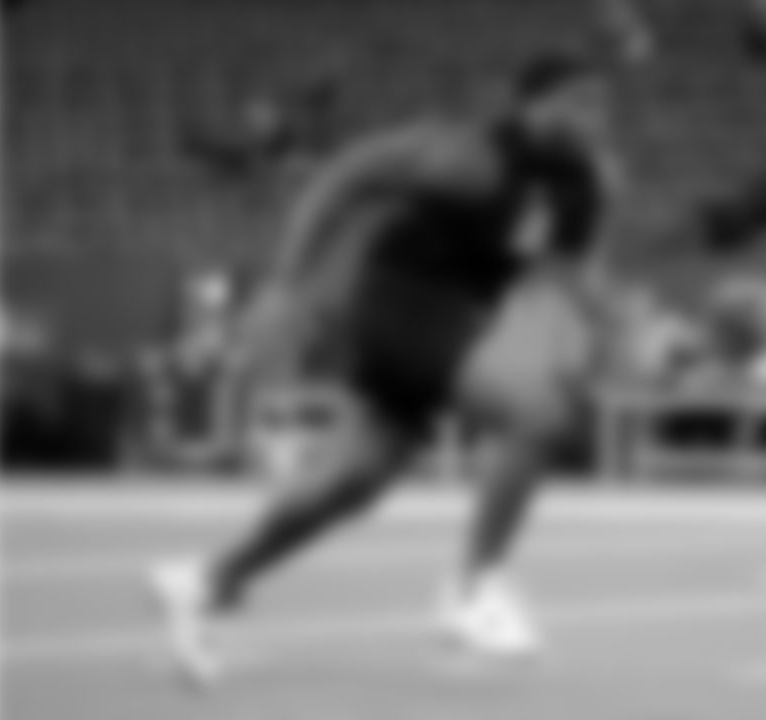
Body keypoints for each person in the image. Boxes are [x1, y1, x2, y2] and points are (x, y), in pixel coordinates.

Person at [147, 54, 628, 684]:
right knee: (534, 414)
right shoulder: (469, 157)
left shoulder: (585, 186)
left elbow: (569, 272)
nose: (592, 117)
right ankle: (475, 589)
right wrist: (288, 283)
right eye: (576, 102)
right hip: (399, 300)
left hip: (457, 318)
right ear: (529, 107)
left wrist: (606, 333)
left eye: (601, 104)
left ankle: (212, 580)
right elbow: (347, 176)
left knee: (355, 481)